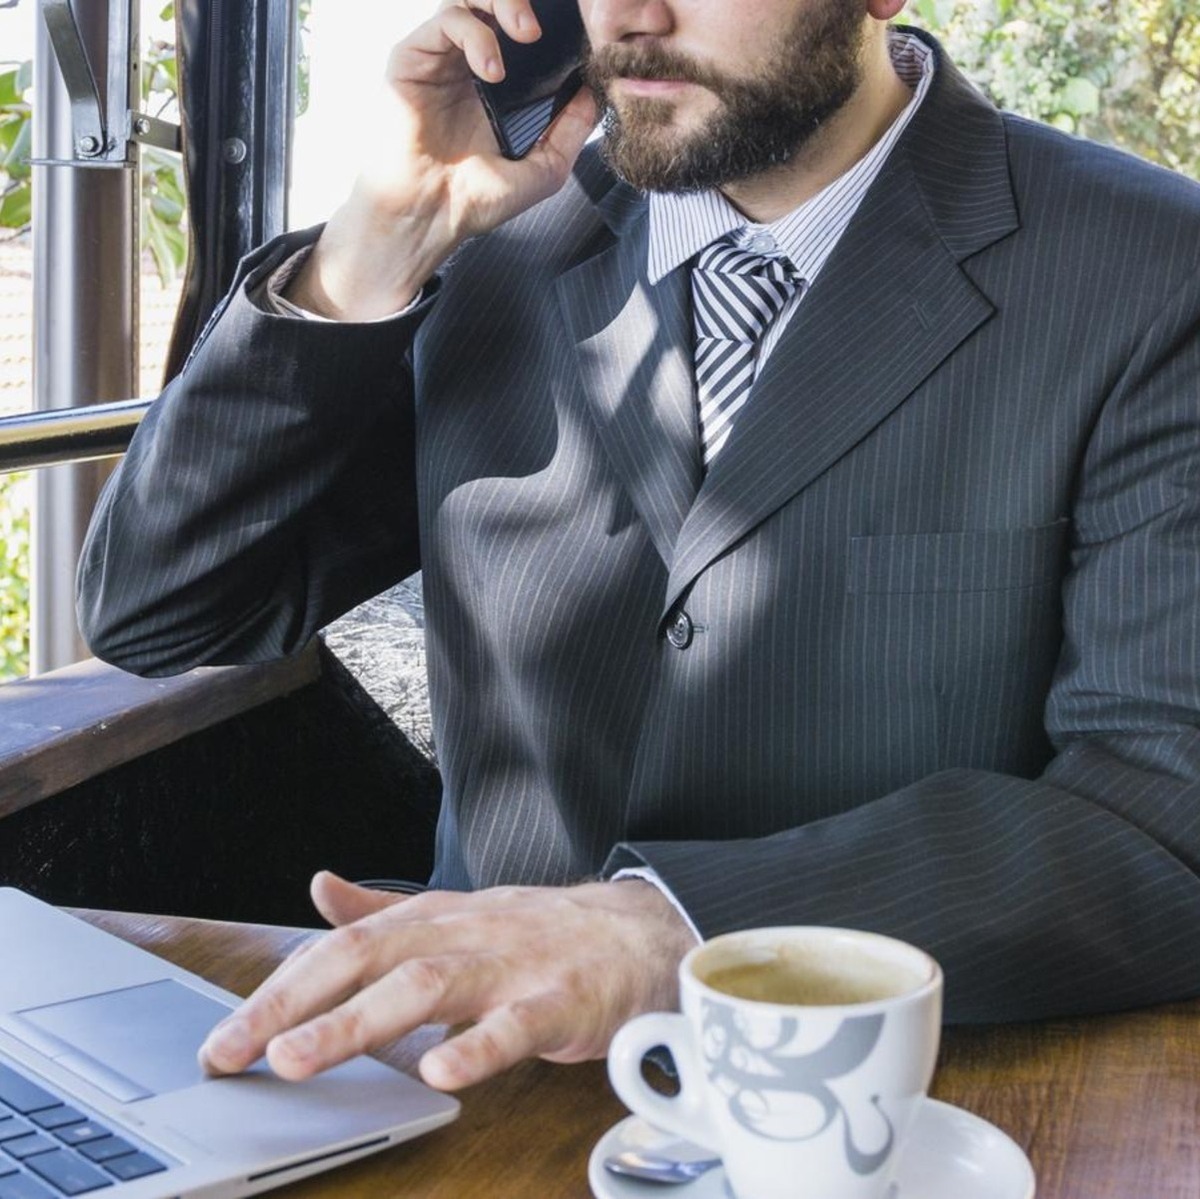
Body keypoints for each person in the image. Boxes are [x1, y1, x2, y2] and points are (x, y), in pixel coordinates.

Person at [76, 0, 1200, 1094]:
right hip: (472, 1087)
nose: (632, 15)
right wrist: (374, 245)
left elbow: (1162, 806)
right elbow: (164, 612)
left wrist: (672, 927)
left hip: (905, 1102)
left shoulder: (1149, 273)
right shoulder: (491, 235)